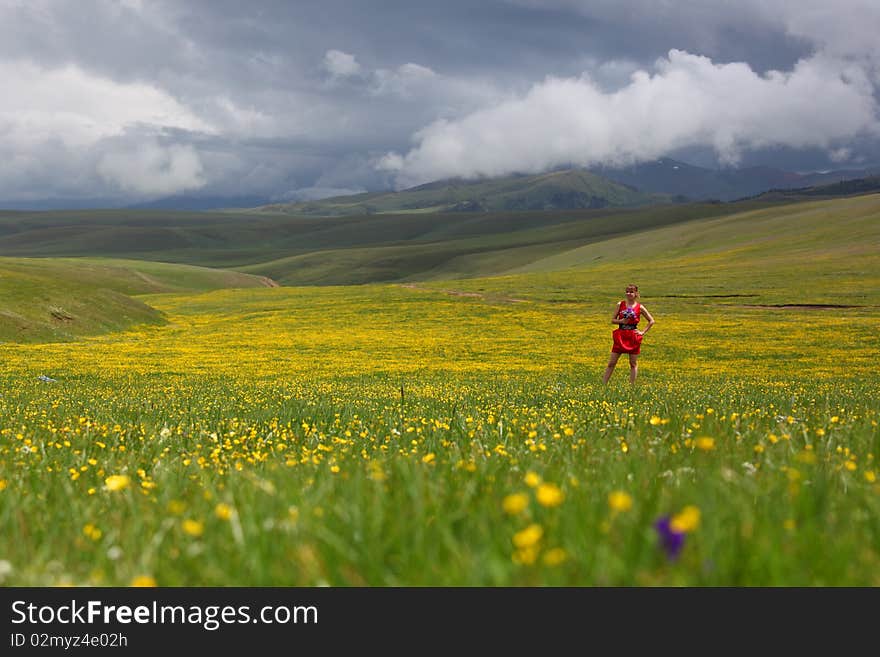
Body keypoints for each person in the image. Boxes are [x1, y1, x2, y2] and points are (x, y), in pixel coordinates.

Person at [603, 284, 654, 384]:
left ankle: (631, 386)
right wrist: (621, 321)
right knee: (611, 363)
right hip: (621, 335)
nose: (628, 293)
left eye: (631, 292)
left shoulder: (640, 307)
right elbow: (613, 320)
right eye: (627, 291)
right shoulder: (620, 304)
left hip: (633, 336)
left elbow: (651, 321)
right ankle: (603, 384)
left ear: (636, 293)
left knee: (633, 363)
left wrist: (642, 332)